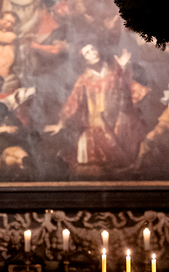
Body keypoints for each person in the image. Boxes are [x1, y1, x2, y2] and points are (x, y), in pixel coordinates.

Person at [44, 43, 147, 178]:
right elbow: (73, 102)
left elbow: (127, 90)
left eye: (93, 49)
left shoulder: (113, 74)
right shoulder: (84, 80)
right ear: (83, 59)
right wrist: (61, 123)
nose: (92, 53)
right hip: (96, 124)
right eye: (87, 52)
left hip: (117, 121)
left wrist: (123, 67)